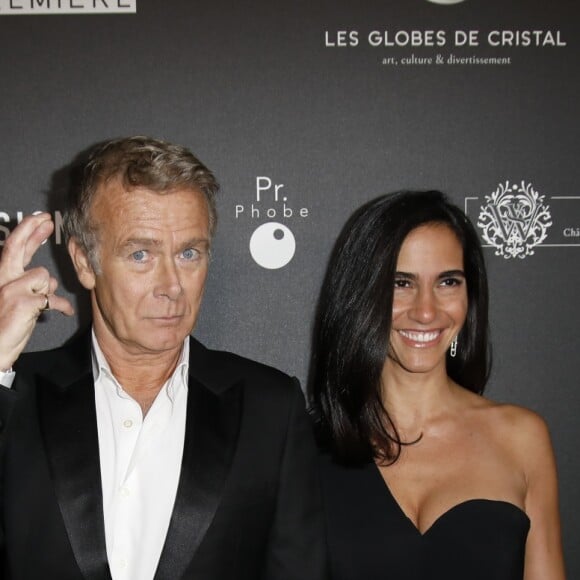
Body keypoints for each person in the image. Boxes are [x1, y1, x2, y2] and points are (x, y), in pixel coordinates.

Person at [0, 136, 326, 580]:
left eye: (189, 253)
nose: (172, 285)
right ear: (83, 262)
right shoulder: (15, 396)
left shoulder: (270, 408)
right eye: (141, 254)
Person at [309, 190, 565, 580]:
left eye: (447, 282)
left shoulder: (522, 437)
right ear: (360, 296)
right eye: (401, 283)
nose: (426, 311)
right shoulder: (303, 449)